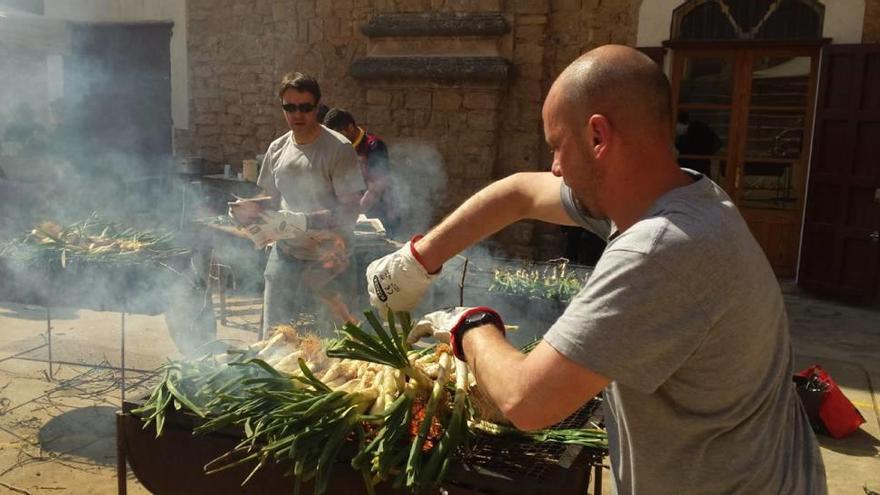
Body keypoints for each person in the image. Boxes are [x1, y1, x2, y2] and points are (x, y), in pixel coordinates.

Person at [364, 45, 826, 494]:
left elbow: (527, 402)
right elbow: (521, 192)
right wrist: (417, 259)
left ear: (598, 137)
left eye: (557, 146)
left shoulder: (661, 250)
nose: (556, 168)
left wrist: (468, 324)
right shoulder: (679, 198)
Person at [230, 72, 364, 335]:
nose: (297, 114)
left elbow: (351, 209)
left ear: (317, 107)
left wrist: (306, 220)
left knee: (334, 346)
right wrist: (250, 210)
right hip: (285, 257)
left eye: (305, 107)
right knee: (276, 340)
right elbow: (270, 198)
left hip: (330, 262)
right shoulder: (277, 148)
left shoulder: (338, 149)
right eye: (289, 107)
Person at [323, 107, 399, 234]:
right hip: (354, 215)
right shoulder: (338, 149)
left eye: (338, 134)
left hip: (380, 214)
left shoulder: (373, 146)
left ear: (350, 127)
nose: (335, 140)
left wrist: (356, 213)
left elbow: (376, 188)